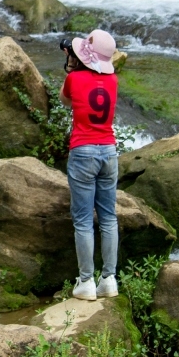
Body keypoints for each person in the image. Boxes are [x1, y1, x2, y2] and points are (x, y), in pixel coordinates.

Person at [59, 28, 119, 301]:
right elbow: (100, 72)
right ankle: (109, 279)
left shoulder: (74, 78)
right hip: (109, 151)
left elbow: (65, 99)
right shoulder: (114, 80)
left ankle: (86, 282)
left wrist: (71, 64)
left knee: (83, 221)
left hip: (83, 151)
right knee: (108, 218)